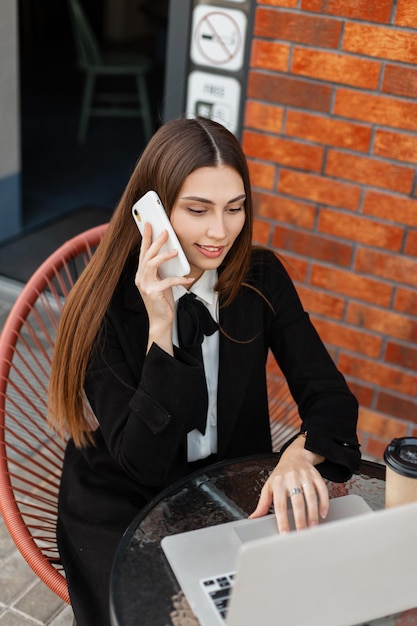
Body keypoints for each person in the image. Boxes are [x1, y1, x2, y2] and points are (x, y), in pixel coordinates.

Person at [48, 116, 361, 625]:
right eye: (198, 210)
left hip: (225, 490)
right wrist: (162, 326)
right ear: (154, 211)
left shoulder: (260, 279)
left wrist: (300, 458)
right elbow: (143, 463)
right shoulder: (103, 306)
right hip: (122, 509)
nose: (220, 231)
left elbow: (330, 397)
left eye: (234, 208)